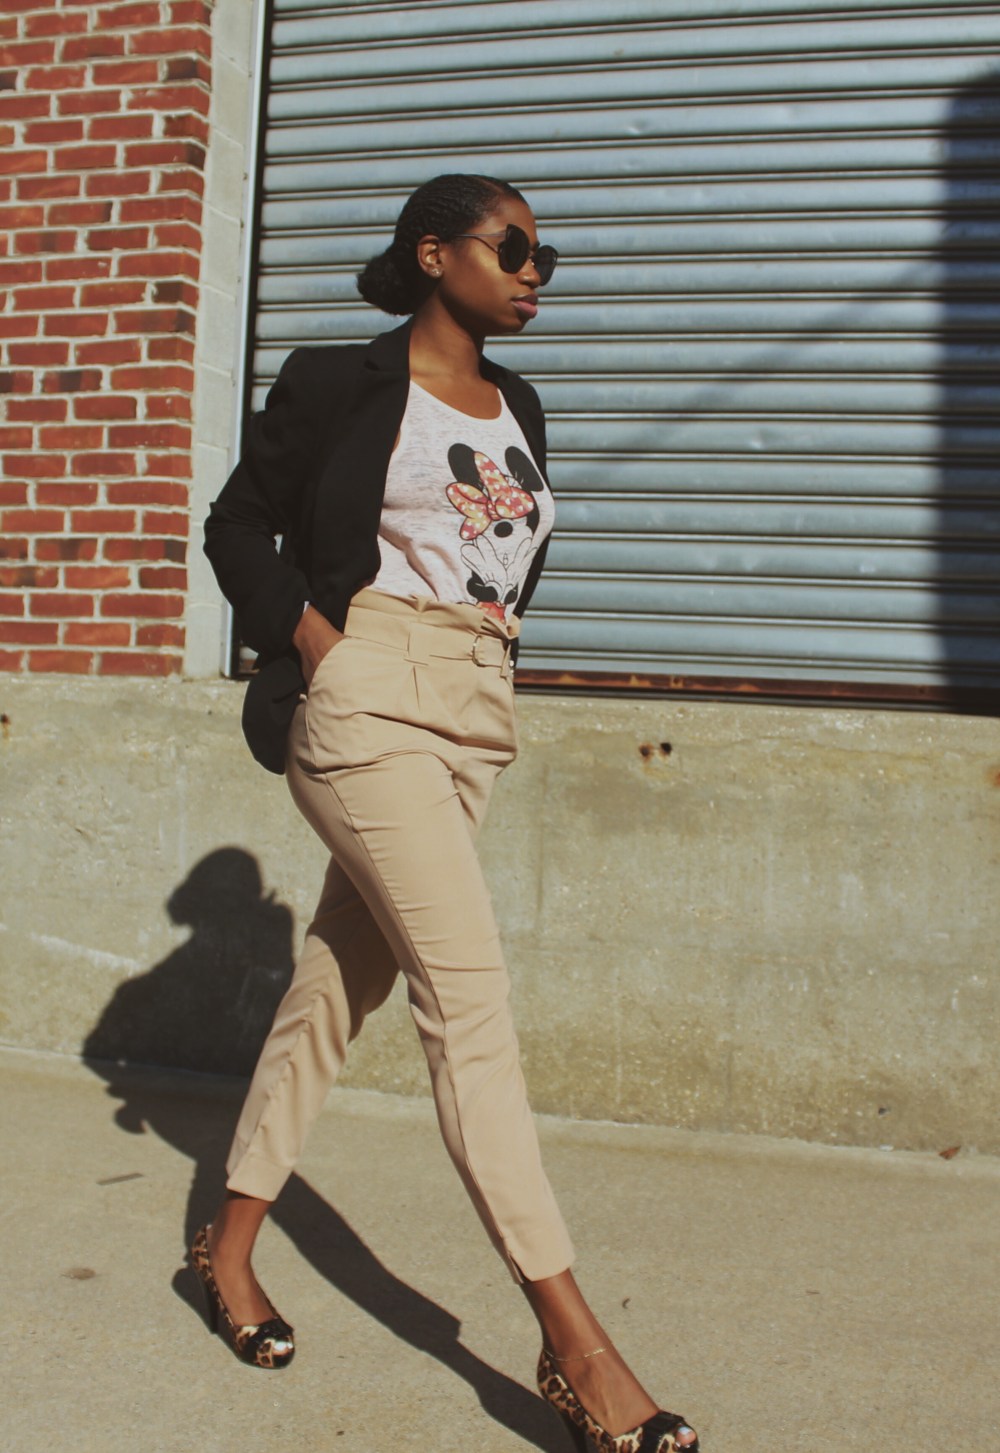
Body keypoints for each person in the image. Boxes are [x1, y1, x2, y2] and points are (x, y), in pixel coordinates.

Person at [196, 173, 699, 1453]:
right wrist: (317, 641)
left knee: (336, 986)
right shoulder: (339, 381)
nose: (534, 271)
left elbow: (500, 567)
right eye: (510, 246)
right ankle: (578, 1349)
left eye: (545, 255)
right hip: (366, 690)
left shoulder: (518, 402)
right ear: (433, 254)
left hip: (474, 706)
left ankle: (227, 1246)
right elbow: (237, 523)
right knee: (467, 1000)